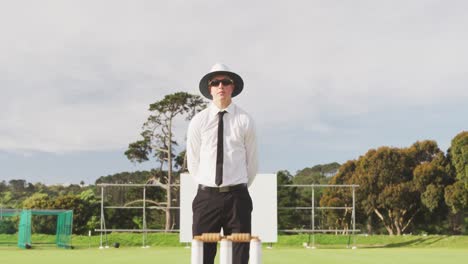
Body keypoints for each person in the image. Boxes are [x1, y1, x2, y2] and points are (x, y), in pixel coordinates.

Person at [187, 63, 258, 264]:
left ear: (232, 87)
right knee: (202, 257)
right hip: (206, 198)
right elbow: (193, 162)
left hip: (238, 198)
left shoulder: (245, 120)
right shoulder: (198, 121)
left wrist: (237, 186)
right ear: (209, 88)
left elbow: (251, 162)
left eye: (225, 82)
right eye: (215, 82)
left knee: (239, 257)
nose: (221, 86)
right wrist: (208, 186)